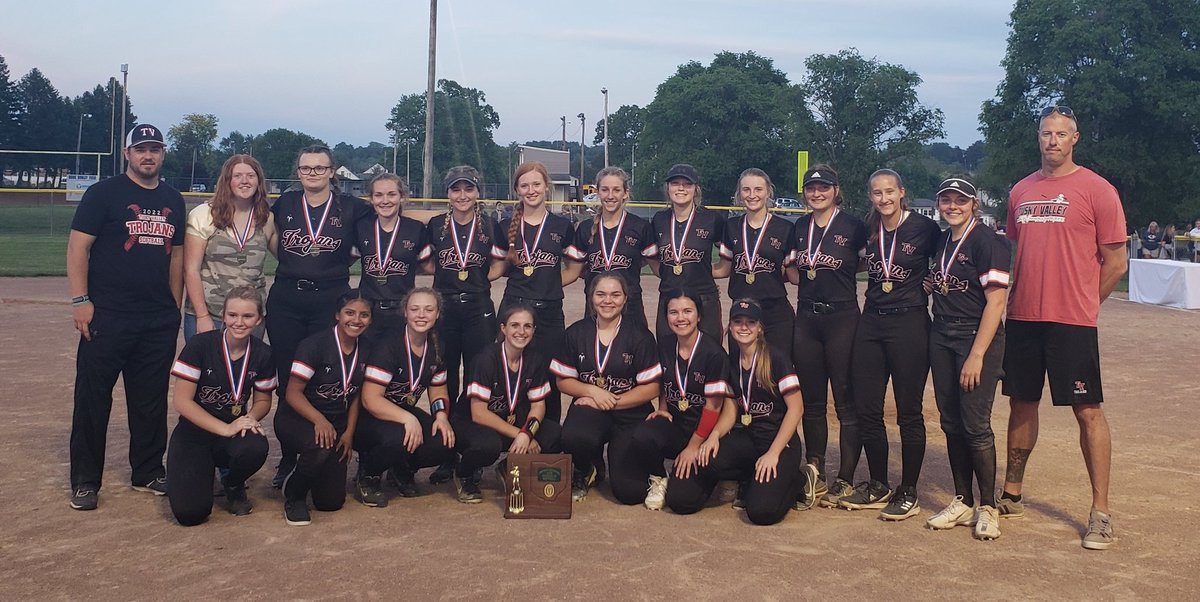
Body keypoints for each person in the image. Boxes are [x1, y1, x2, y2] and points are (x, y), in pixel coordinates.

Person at [999, 106, 1127, 550]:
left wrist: (1087, 303)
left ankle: (1101, 511)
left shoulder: (1097, 189)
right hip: (1023, 317)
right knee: (1020, 404)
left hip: (1071, 321)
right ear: (1038, 138)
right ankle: (1011, 493)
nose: (1052, 140)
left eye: (1061, 134)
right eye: (1045, 133)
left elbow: (1116, 261)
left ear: (1075, 139)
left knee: (1087, 410)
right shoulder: (1020, 191)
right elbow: (1017, 253)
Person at [67, 124, 186, 510]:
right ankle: (86, 480)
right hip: (109, 314)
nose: (147, 155)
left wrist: (174, 305)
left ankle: (148, 470)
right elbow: (78, 248)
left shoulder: (173, 198)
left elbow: (177, 256)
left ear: (162, 154)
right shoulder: (103, 194)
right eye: (140, 149)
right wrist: (80, 299)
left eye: (154, 149)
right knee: (92, 398)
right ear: (126, 153)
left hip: (157, 318)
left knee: (149, 399)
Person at [839, 169, 940, 521]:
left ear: (902, 192)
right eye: (877, 193)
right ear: (871, 197)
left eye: (889, 192)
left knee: (909, 410)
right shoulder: (867, 228)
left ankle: (908, 489)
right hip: (872, 320)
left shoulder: (924, 228)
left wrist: (926, 286)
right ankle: (879, 483)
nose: (883, 199)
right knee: (868, 408)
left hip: (909, 322)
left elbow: (945, 259)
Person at [267, 145, 370, 488]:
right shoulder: (284, 203)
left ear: (332, 171)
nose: (312, 173)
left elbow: (367, 245)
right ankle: (290, 453)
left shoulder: (352, 208)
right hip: (287, 298)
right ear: (298, 172)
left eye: (319, 168)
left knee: (327, 375)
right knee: (288, 376)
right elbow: (271, 241)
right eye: (306, 168)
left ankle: (329, 446)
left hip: (329, 297)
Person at [924, 177, 1010, 540]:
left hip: (976, 336)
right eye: (946, 200)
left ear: (974, 203)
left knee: (975, 424)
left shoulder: (987, 241)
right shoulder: (944, 239)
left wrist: (977, 354)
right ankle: (962, 499)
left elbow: (997, 300)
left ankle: (988, 506)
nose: (952, 206)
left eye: (960, 200)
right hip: (941, 333)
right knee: (950, 421)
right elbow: (947, 279)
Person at [665, 299, 804, 525]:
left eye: (751, 322)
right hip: (746, 438)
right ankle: (746, 476)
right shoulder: (730, 361)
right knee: (681, 499)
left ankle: (796, 479)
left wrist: (773, 453)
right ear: (730, 326)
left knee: (761, 512)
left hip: (778, 441)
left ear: (760, 327)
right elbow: (730, 409)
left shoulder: (776, 358)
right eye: (738, 321)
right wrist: (714, 436)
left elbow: (796, 408)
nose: (744, 327)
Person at [785, 165, 868, 509]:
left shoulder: (853, 226)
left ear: (836, 190)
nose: (816, 193)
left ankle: (846, 476)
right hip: (807, 317)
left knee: (846, 401)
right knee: (813, 401)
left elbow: (866, 264)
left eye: (823, 187)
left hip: (843, 316)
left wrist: (838, 272)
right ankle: (815, 469)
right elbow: (791, 271)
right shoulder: (800, 227)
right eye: (811, 188)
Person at [424, 166, 508, 485]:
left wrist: (478, 279)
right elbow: (427, 262)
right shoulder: (435, 226)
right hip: (444, 307)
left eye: (468, 189)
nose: (462, 195)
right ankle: (448, 453)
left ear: (477, 193)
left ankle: (472, 454)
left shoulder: (489, 225)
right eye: (456, 190)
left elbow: (500, 261)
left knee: (477, 376)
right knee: (444, 375)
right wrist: (450, 278)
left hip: (477, 307)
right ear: (448, 194)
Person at [166, 287, 277, 525]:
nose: (239, 322)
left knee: (255, 446)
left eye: (248, 316)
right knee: (190, 514)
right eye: (233, 315)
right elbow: (182, 402)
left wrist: (250, 418)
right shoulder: (200, 345)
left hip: (235, 431)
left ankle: (233, 482)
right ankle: (201, 472)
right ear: (223, 316)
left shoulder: (263, 354)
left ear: (258, 319)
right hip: (194, 433)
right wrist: (225, 428)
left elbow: (263, 400)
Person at [554, 273, 663, 503]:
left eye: (615, 295)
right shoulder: (576, 332)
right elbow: (563, 381)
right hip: (590, 407)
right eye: (600, 294)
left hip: (630, 411)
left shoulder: (640, 336)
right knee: (573, 436)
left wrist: (610, 401)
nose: (607, 301)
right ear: (591, 298)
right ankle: (587, 467)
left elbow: (652, 388)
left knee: (630, 494)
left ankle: (628, 459)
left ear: (625, 299)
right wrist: (593, 392)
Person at [498, 161, 585, 424]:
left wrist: (548, 283)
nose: (531, 190)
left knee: (550, 375)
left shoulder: (562, 225)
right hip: (514, 306)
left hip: (549, 311)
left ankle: (549, 442)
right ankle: (514, 437)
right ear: (517, 190)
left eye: (536, 184)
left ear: (546, 187)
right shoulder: (504, 227)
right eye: (524, 185)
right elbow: (500, 267)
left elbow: (574, 269)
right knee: (513, 373)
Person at [275, 290, 371, 526]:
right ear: (337, 315)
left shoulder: (367, 348)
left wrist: (349, 432)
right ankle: (294, 495)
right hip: (298, 416)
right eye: (349, 313)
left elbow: (357, 394)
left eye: (364, 315)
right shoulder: (314, 345)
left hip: (336, 422)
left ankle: (307, 473)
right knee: (319, 446)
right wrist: (319, 420)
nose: (356, 320)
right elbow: (292, 393)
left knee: (330, 502)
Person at [630, 290, 730, 510]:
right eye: (673, 312)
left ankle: (715, 475)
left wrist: (693, 447)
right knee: (642, 434)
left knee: (682, 502)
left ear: (699, 316)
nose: (680, 318)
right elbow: (667, 382)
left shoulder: (713, 353)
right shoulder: (665, 345)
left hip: (704, 434)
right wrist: (663, 407)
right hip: (677, 426)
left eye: (687, 311)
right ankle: (659, 478)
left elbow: (714, 407)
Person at [453, 304, 563, 503]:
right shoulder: (485, 359)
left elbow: (538, 406)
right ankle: (464, 473)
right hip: (473, 423)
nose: (521, 332)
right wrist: (521, 435)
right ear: (503, 328)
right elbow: (479, 413)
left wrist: (527, 433)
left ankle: (508, 466)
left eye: (527, 326)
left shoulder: (535, 359)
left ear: (534, 330)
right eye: (515, 325)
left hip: (509, 419)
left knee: (554, 433)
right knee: (487, 446)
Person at [356, 288, 454, 506]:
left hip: (399, 409)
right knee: (398, 437)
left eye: (429, 309)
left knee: (444, 441)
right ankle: (368, 475)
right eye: (415, 309)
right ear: (405, 312)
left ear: (437, 314)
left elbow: (438, 389)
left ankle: (401, 469)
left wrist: (441, 416)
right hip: (369, 415)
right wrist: (408, 419)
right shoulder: (389, 345)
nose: (421, 315)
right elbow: (370, 399)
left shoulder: (436, 345)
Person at [182, 154, 275, 341]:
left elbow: (290, 257)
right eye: (237, 176)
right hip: (211, 313)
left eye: (251, 175)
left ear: (259, 181)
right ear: (227, 181)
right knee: (206, 368)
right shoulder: (204, 215)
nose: (245, 181)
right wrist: (202, 316)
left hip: (250, 317)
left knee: (245, 370)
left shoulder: (266, 218)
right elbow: (190, 269)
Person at [715, 168, 796, 354]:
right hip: (741, 310)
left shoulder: (785, 228)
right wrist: (694, 267)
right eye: (746, 190)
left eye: (758, 189)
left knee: (777, 371)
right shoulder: (731, 227)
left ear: (769, 191)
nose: (752, 195)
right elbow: (724, 269)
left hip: (775, 312)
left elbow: (792, 275)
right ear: (739, 193)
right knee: (742, 371)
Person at [575, 167, 658, 329]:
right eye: (605, 190)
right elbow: (575, 270)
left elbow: (654, 264)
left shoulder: (640, 227)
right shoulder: (585, 228)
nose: (610, 195)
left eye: (616, 190)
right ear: (598, 192)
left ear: (625, 193)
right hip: (596, 307)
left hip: (631, 307)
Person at [652, 164, 726, 340]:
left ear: (696, 189)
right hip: (670, 297)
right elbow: (651, 258)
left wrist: (705, 271)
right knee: (668, 354)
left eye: (687, 184)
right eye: (675, 183)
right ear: (668, 188)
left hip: (704, 298)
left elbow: (728, 259)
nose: (681, 188)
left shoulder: (711, 219)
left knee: (709, 354)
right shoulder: (659, 219)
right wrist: (665, 272)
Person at [356, 173, 431, 339]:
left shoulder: (415, 229)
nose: (385, 200)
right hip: (368, 309)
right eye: (378, 195)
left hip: (402, 309)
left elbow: (429, 266)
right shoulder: (361, 227)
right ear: (371, 199)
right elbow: (346, 260)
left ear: (402, 197)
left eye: (391, 194)